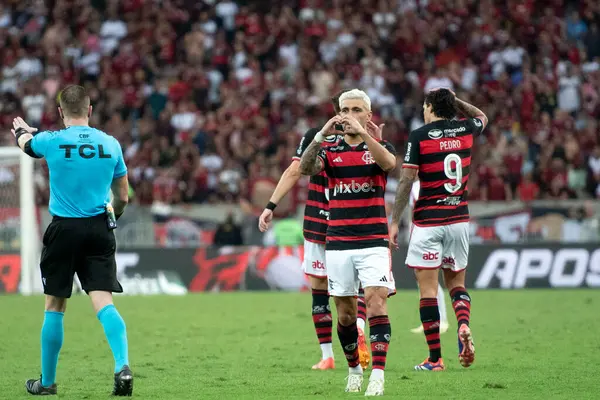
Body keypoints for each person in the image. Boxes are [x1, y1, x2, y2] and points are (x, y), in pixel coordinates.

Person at [11, 85, 133, 396]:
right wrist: (112, 215)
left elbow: (26, 144)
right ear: (90, 110)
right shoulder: (111, 144)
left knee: (54, 305)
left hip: (64, 230)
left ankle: (47, 383)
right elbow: (122, 197)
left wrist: (22, 131)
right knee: (103, 301)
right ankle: (122, 366)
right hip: (98, 229)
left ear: (61, 112)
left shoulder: (52, 141)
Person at [258, 89, 383, 371]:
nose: (347, 114)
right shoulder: (368, 139)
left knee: (319, 289)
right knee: (358, 287)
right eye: (344, 108)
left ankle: (328, 355)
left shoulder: (318, 135)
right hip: (353, 224)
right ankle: (359, 328)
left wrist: (271, 205)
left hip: (320, 222)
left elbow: (295, 171)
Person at [299, 89, 396, 396]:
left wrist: (366, 136)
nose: (351, 115)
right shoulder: (329, 150)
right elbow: (304, 168)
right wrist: (321, 136)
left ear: (369, 115)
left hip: (373, 240)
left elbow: (389, 164)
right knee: (345, 314)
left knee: (377, 302)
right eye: (346, 110)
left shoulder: (378, 146)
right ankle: (354, 367)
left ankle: (378, 374)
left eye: (357, 110)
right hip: (338, 241)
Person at [389, 88, 488, 372]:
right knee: (456, 285)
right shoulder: (466, 127)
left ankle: (435, 359)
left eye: (425, 104)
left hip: (428, 223)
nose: (423, 109)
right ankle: (464, 325)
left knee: (428, 291)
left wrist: (395, 221)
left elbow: (407, 181)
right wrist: (455, 101)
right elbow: (483, 116)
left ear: (431, 106)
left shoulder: (419, 136)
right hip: (458, 219)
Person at [407, 180, 449, 334]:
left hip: (430, 233)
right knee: (421, 279)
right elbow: (413, 211)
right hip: (418, 233)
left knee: (432, 279)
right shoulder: (415, 186)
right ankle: (428, 321)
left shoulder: (432, 183)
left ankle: (442, 319)